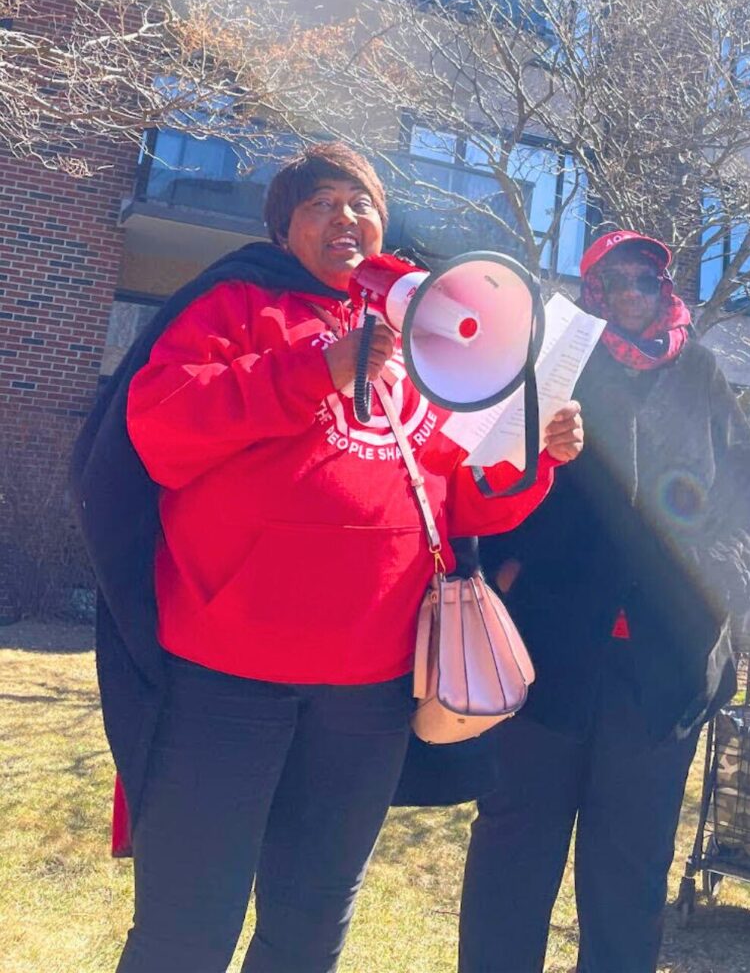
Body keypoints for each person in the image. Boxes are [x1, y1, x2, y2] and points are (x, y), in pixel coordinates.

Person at [70, 141, 584, 973]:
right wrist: (313, 370)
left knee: (310, 925)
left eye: (360, 202)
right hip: (224, 677)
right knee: (185, 928)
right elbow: (159, 427)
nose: (344, 217)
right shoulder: (237, 304)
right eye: (319, 203)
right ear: (283, 231)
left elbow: (461, 501)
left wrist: (535, 456)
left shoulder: (429, 336)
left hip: (368, 691)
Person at [458, 230, 750, 973]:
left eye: (646, 278)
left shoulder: (699, 372)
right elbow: (487, 467)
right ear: (592, 288)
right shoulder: (557, 359)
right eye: (616, 279)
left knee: (629, 868)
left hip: (660, 670)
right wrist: (503, 570)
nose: (633, 292)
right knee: (514, 848)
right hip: (545, 655)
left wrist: (724, 583)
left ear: (664, 288)